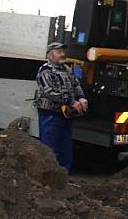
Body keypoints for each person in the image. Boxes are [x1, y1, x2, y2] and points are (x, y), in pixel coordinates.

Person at [35, 42, 88, 171]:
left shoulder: (67, 69)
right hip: (50, 114)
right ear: (50, 55)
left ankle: (64, 176)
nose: (62, 54)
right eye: (58, 52)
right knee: (49, 148)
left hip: (65, 115)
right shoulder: (45, 71)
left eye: (63, 51)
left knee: (65, 147)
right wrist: (72, 102)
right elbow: (51, 92)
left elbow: (76, 84)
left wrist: (81, 97)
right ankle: (49, 176)